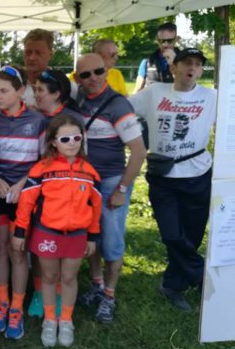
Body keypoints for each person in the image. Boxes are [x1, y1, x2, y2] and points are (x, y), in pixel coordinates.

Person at [129, 48, 216, 311]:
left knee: (192, 234)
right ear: (174, 67)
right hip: (163, 176)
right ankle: (203, 277)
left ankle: (172, 285)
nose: (192, 68)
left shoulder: (212, 97)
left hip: (198, 173)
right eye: (187, 63)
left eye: (197, 64)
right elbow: (123, 108)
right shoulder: (155, 93)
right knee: (171, 234)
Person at [14, 114, 102, 347]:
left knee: (69, 277)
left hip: (77, 235)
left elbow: (95, 207)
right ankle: (50, 320)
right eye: (65, 139)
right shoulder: (41, 169)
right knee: (50, 277)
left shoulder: (90, 172)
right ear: (53, 142)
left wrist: (93, 236)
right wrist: (20, 231)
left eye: (76, 138)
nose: (72, 143)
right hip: (48, 233)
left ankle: (66, 320)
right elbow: (26, 203)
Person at [75, 53, 146, 324]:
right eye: (86, 74)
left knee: (112, 242)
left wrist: (122, 189)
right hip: (85, 184)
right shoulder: (79, 99)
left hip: (110, 183)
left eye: (98, 71)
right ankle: (97, 284)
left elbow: (138, 152)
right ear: (78, 79)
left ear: (106, 71)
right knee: (91, 237)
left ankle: (109, 295)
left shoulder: (118, 105)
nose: (93, 78)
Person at [0, 65, 46, 340]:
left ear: (21, 91)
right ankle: (2, 301)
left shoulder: (38, 120)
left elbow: (44, 160)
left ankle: (16, 307)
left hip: (24, 195)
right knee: (0, 248)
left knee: (18, 250)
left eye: (4, 91)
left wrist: (24, 183)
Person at [26, 69, 83, 318]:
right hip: (38, 190)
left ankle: (60, 294)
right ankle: (40, 293)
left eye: (40, 90)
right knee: (40, 246)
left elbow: (82, 156)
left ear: (57, 94)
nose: (36, 94)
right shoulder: (37, 116)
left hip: (65, 194)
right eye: (35, 89)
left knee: (62, 246)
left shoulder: (71, 119)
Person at [135, 22, 180, 92]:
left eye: (170, 41)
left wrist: (174, 64)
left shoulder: (185, 61)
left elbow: (187, 87)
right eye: (161, 41)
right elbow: (138, 90)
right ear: (157, 40)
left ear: (176, 39)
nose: (165, 44)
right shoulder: (147, 61)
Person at [22, 29, 54, 108]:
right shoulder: (12, 85)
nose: (32, 58)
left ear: (50, 55)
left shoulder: (64, 86)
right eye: (28, 52)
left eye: (38, 53)